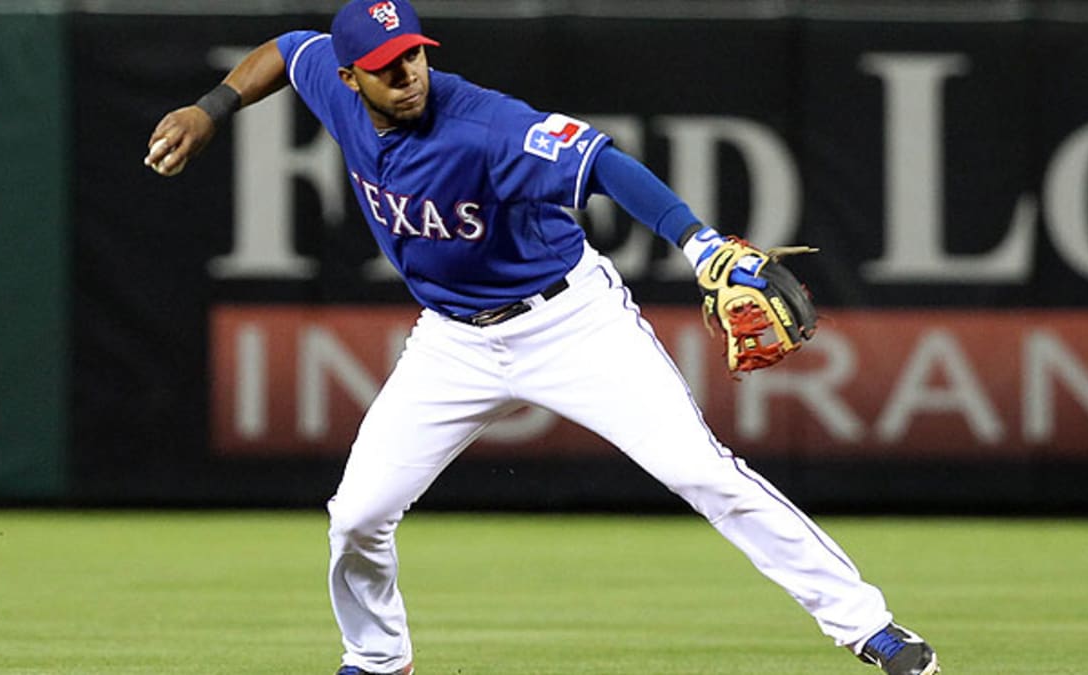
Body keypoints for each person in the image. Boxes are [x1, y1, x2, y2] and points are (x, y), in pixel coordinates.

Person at [145, 2, 940, 674]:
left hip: (570, 323)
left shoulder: (488, 126)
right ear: (353, 79)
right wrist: (210, 108)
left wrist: (701, 244)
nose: (408, 74)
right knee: (356, 515)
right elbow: (288, 51)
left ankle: (870, 626)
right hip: (452, 342)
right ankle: (377, 658)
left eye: (414, 56)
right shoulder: (332, 80)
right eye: (387, 66)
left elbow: (606, 165)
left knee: (703, 471)